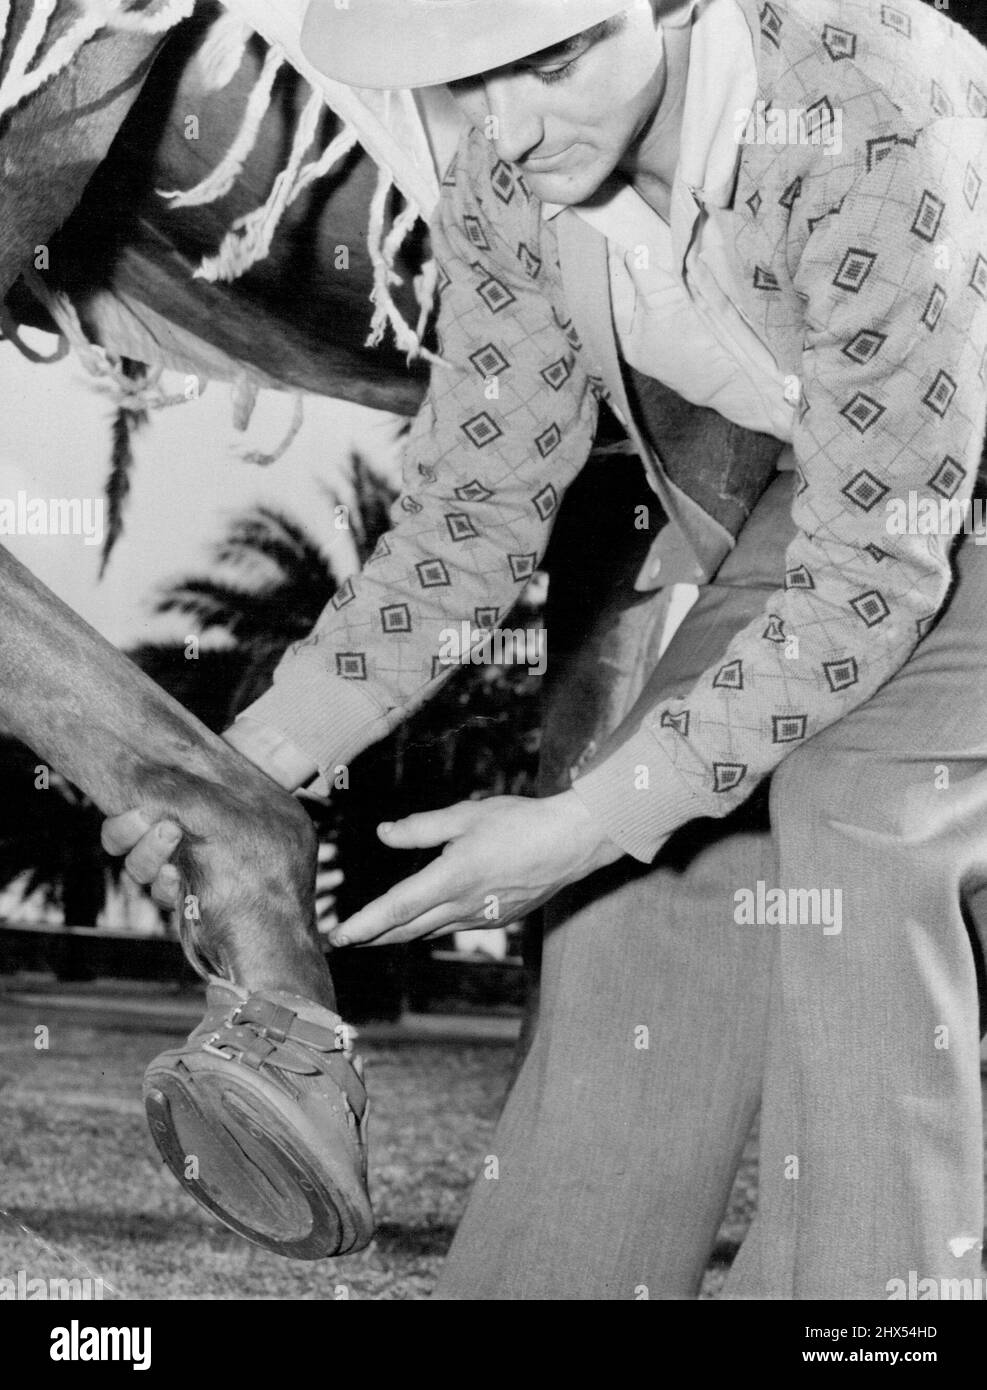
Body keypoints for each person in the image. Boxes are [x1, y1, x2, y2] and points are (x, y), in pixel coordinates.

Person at [108, 0, 987, 1298]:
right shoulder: (507, 175)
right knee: (639, 883)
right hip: (858, 494)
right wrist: (239, 776)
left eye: (552, 63)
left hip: (905, 516)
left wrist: (580, 820)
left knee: (859, 822)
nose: (507, 128)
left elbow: (878, 571)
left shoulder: (871, 98)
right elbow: (471, 515)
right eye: (464, 87)